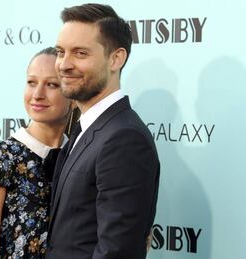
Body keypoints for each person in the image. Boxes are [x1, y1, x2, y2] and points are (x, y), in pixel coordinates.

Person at [47, 4, 160, 259]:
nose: (64, 64)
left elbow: (117, 251)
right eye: (60, 52)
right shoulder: (90, 128)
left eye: (80, 53)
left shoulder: (124, 139)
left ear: (116, 59)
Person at [0, 47, 78, 259]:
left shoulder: (82, 155)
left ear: (73, 96)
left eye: (52, 84)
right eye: (31, 82)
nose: (37, 94)